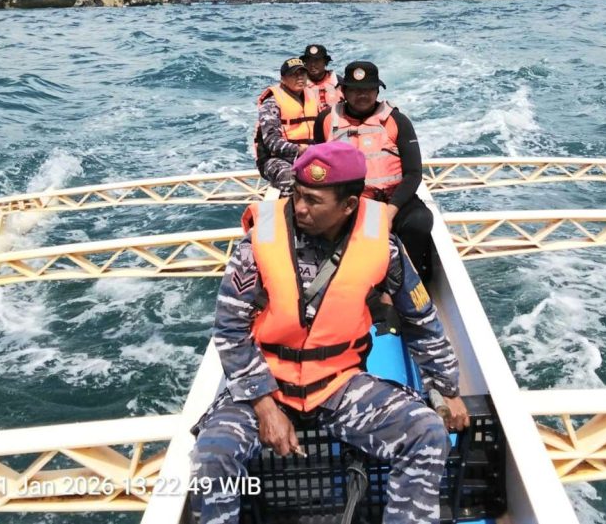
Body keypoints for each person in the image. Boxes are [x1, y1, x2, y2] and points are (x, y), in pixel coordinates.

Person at [189, 143, 470, 524]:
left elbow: (420, 319)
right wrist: (265, 407)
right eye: (298, 195)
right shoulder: (258, 242)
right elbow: (230, 329)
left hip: (338, 383)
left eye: (313, 200)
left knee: (427, 433)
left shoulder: (383, 246)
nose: (300, 207)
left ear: (349, 205)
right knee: (212, 456)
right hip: (266, 383)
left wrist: (447, 388)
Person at [314, 61, 435, 274]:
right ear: (344, 91)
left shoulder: (397, 121)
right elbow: (318, 169)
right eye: (355, 90)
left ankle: (411, 277)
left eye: (369, 89)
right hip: (350, 203)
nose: (362, 95)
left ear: (377, 91)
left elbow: (414, 173)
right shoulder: (325, 120)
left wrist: (389, 212)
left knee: (419, 221)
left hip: (394, 200)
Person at [253, 57, 319, 195]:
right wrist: (299, 150)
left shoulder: (313, 96)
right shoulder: (271, 103)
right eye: (294, 74)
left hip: (309, 154)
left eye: (302, 73)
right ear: (283, 79)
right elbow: (271, 142)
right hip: (275, 159)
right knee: (289, 177)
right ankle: (287, 207)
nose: (300, 77)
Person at [301, 43, 342, 111]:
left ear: (325, 62)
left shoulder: (338, 81)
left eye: (317, 60)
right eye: (309, 60)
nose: (312, 64)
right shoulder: (300, 84)